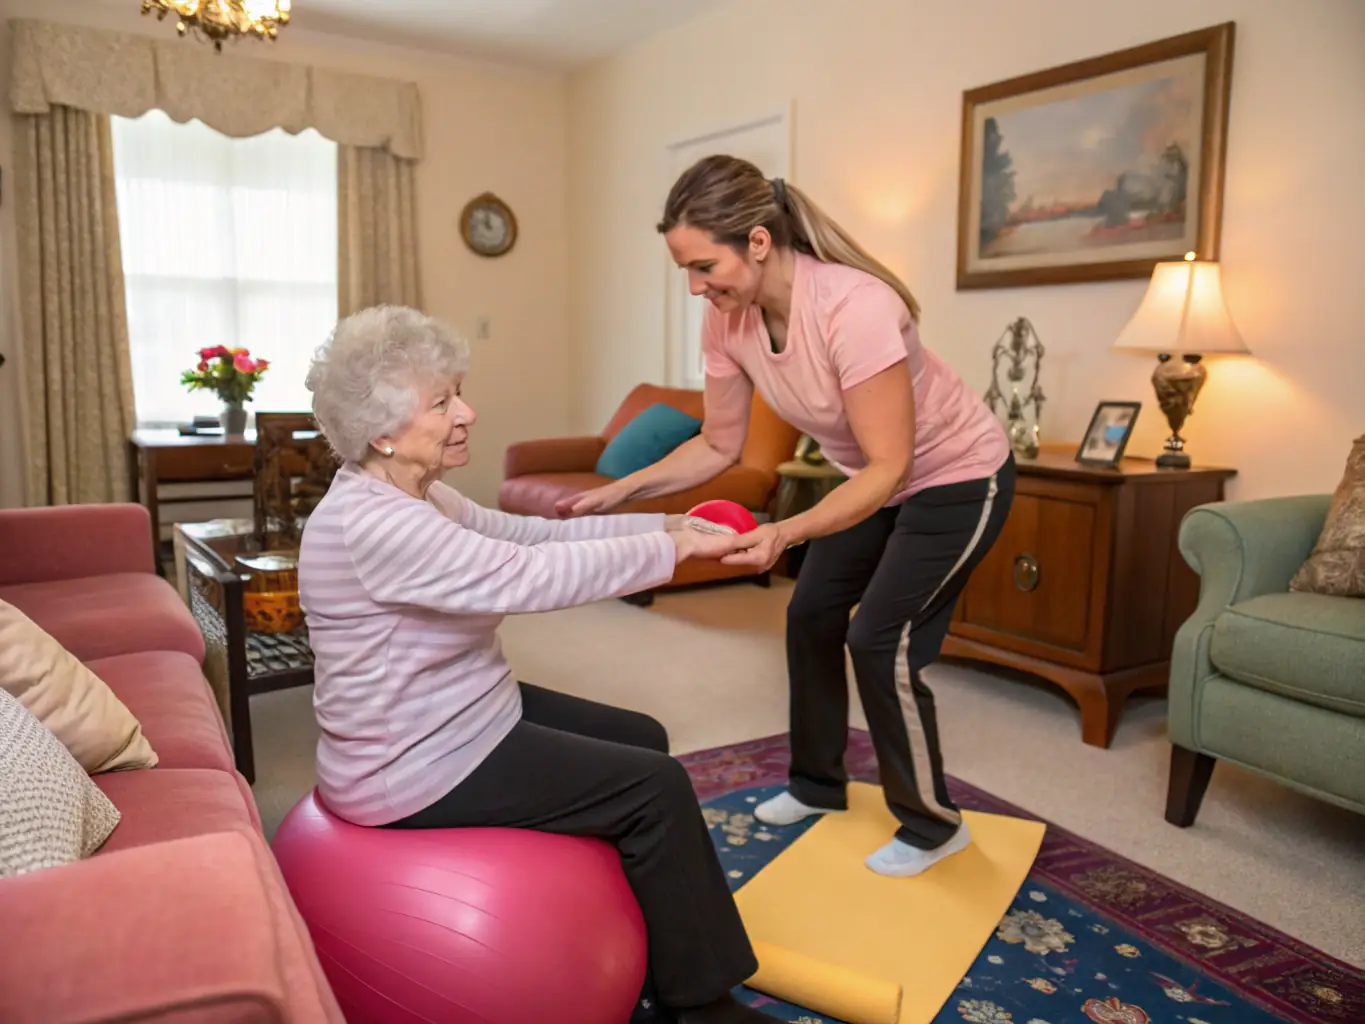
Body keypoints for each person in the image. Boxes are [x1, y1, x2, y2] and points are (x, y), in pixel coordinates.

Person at [298, 305, 772, 1024]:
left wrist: (668, 523)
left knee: (640, 737)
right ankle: (701, 1006)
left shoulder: (411, 493)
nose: (467, 410)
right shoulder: (376, 524)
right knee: (657, 786)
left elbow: (521, 533)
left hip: (462, 711)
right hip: (410, 761)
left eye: (457, 390)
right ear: (383, 432)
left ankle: (637, 939)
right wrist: (674, 553)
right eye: (441, 402)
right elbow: (526, 576)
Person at [558, 155, 1016, 879]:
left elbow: (891, 466)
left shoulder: (853, 307)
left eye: (705, 266)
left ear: (760, 243)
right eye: (686, 269)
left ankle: (932, 825)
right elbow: (717, 443)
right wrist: (624, 490)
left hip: (953, 478)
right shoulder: (727, 320)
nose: (695, 287)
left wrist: (786, 530)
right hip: (868, 478)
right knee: (809, 615)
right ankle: (816, 784)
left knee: (880, 640)